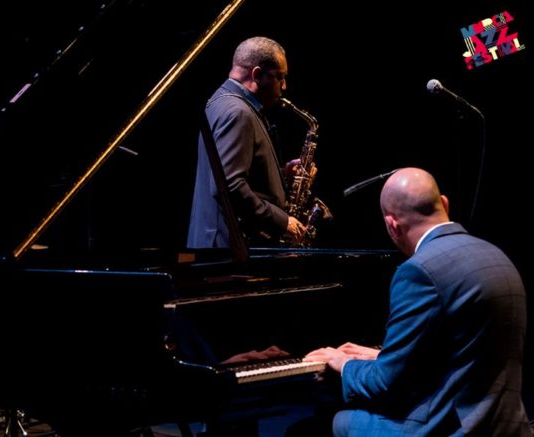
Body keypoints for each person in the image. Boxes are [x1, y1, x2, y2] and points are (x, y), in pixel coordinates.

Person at [304, 167, 531, 435]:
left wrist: (343, 363)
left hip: (450, 429)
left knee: (330, 421)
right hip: (506, 427)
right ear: (444, 203)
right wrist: (383, 357)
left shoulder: (419, 271)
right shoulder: (496, 256)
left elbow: (385, 385)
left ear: (392, 225)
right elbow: (462, 353)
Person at [187, 36, 305, 248]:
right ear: (257, 75)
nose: (284, 86)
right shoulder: (238, 112)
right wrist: (282, 221)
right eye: (280, 77)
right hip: (230, 250)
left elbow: (228, 173)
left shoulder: (219, 101)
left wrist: (279, 174)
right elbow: (230, 186)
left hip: (220, 245)